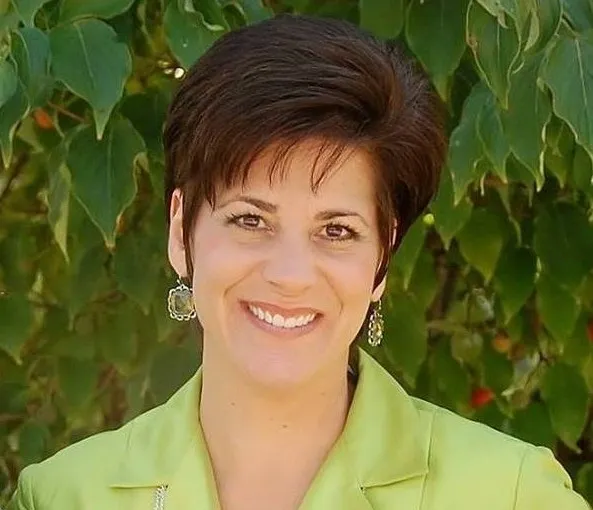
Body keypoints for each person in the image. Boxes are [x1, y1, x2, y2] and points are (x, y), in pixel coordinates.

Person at [7, 13, 590, 510]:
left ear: (383, 258)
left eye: (337, 230)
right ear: (181, 231)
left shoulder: (509, 494)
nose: (290, 274)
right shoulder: (62, 495)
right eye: (250, 220)